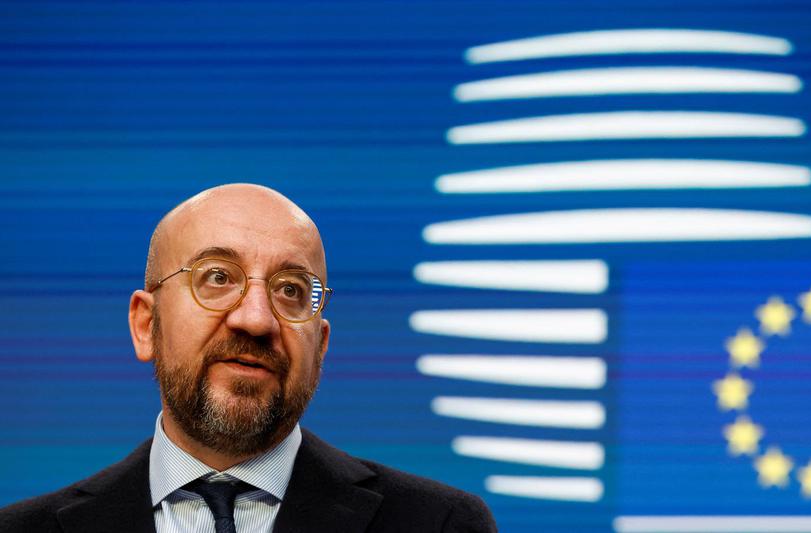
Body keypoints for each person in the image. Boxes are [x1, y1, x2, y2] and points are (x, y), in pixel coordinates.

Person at [0, 183, 497, 533]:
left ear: (320, 346)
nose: (256, 320)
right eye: (217, 277)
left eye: (290, 290)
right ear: (146, 324)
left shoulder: (438, 524)